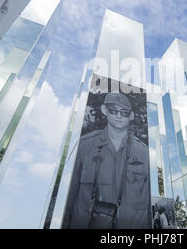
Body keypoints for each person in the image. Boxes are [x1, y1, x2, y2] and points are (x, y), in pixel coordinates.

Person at [62, 92, 150, 229]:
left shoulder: (145, 155)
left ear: (131, 116)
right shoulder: (85, 146)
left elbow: (149, 208)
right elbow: (68, 197)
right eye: (113, 110)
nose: (118, 116)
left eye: (124, 112)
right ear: (104, 110)